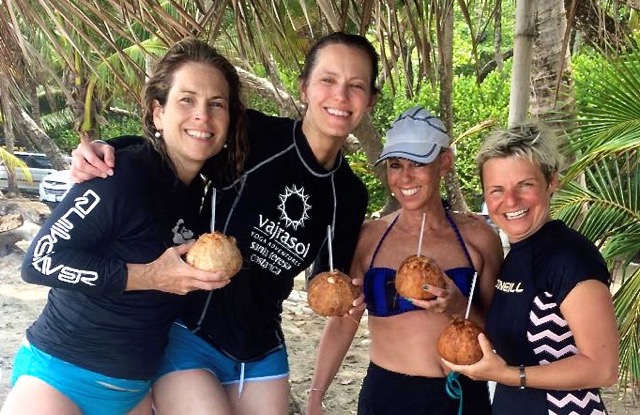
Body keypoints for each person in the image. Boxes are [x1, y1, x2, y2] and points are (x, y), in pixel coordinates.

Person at [69, 32, 379, 415]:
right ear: (304, 88)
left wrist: (349, 300)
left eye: (357, 86)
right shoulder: (255, 134)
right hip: (190, 333)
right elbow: (180, 142)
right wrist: (109, 147)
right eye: (328, 80)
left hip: (262, 346)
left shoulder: (349, 194)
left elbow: (330, 285)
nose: (340, 96)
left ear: (370, 100)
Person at [0, 38, 244, 415]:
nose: (202, 116)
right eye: (187, 100)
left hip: (134, 392)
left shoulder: (199, 190)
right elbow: (39, 262)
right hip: (57, 380)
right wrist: (149, 276)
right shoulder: (119, 176)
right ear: (157, 113)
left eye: (217, 104)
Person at [306, 106, 504, 415]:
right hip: (387, 397)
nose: (405, 177)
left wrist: (457, 307)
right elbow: (345, 323)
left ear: (445, 163)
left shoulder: (479, 239)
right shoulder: (369, 237)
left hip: (461, 396)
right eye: (396, 165)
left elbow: (501, 330)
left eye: (418, 163)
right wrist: (316, 393)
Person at [444, 124, 619, 414]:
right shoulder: (516, 255)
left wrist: (506, 376)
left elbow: (603, 368)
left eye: (524, 185)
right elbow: (518, 335)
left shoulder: (570, 257)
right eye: (497, 190)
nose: (510, 201)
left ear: (551, 181)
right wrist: (454, 305)